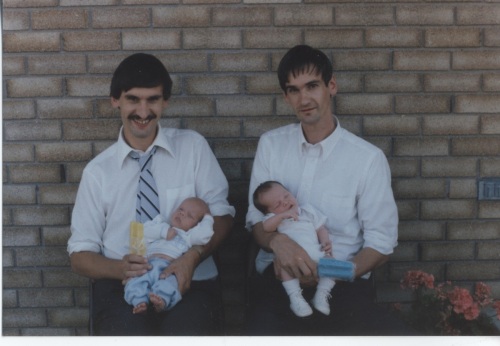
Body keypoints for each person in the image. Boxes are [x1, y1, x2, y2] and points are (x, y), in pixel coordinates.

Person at [245, 45, 417, 335]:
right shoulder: (271, 145)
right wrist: (278, 244)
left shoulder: (367, 158)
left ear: (331, 86)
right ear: (286, 97)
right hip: (281, 282)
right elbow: (254, 220)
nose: (305, 98)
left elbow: (381, 241)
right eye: (294, 90)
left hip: (342, 287)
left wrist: (331, 272)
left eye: (312, 86)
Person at [67, 53, 235, 336]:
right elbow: (79, 255)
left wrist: (191, 258)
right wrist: (119, 268)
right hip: (122, 284)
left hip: (189, 278)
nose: (143, 112)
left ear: (165, 101)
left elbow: (223, 216)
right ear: (115, 100)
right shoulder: (98, 172)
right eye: (133, 99)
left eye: (152, 100)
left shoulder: (192, 148)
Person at [253, 181, 335, 317]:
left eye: (286, 196)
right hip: (291, 258)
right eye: (277, 204)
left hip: (315, 252)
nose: (285, 202)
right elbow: (266, 227)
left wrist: (325, 241)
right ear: (269, 212)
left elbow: (320, 228)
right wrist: (281, 216)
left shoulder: (307, 211)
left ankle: (322, 294)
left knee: (332, 264)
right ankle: (295, 297)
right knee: (284, 268)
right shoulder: (273, 218)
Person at [124, 197, 214, 314]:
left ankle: (161, 300)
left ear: (197, 225)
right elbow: (144, 231)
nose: (182, 213)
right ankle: (139, 301)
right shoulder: (161, 225)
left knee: (171, 283)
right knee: (134, 281)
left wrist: (208, 218)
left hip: (169, 268)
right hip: (147, 265)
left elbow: (205, 236)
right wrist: (163, 232)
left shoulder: (189, 236)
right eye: (181, 209)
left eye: (189, 215)